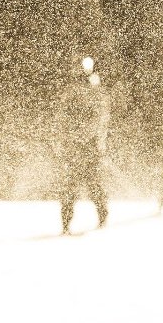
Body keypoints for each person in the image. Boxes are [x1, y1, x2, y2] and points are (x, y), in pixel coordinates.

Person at [55, 56, 111, 234]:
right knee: (73, 186)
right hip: (77, 146)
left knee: (90, 184)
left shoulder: (95, 93)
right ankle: (67, 223)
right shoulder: (72, 93)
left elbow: (100, 119)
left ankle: (101, 218)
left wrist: (94, 141)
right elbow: (62, 118)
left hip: (87, 146)